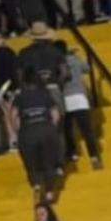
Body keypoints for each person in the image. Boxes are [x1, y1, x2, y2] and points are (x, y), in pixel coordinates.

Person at [11, 67, 61, 203]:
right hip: (46, 128)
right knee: (49, 162)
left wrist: (18, 132)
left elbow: (14, 115)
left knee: (31, 164)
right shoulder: (45, 94)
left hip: (28, 131)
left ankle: (37, 186)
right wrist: (51, 128)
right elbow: (55, 115)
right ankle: (50, 192)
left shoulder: (20, 97)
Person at [59, 44, 102, 169]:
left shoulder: (56, 62)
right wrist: (76, 56)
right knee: (87, 130)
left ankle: (72, 153)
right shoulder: (74, 59)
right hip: (79, 97)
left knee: (67, 129)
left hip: (65, 98)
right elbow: (87, 69)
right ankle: (94, 157)